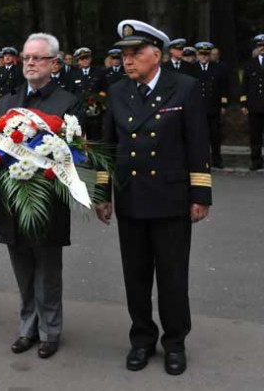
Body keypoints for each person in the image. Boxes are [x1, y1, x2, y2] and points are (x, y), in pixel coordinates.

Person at [95, 20, 212, 376]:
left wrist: (201, 193)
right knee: (136, 275)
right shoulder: (116, 91)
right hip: (131, 198)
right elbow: (107, 146)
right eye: (124, 55)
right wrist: (103, 193)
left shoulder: (185, 88)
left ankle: (175, 342)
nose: (128, 61)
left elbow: (197, 142)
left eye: (136, 53)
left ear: (156, 55)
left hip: (171, 198)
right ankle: (142, 339)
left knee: (173, 276)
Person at [0, 32, 82, 359]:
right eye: (27, 57)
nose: (29, 63)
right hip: (11, 200)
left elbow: (76, 152)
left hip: (46, 201)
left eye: (37, 58)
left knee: (47, 270)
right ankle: (27, 327)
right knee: (22, 269)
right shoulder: (5, 102)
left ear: (54, 63)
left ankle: (50, 331)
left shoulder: (67, 103)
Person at [192, 42, 229, 168]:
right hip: (198, 108)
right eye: (201, 54)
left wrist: (223, 105)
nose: (204, 57)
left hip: (213, 106)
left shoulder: (217, 67)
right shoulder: (193, 68)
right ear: (197, 55)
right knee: (200, 137)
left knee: (215, 136)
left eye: (206, 54)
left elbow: (223, 87)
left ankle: (217, 160)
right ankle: (202, 161)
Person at [71, 47, 108, 140]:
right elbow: (71, 92)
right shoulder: (73, 74)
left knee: (96, 136)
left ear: (90, 59)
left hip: (95, 112)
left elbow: (105, 89)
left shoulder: (99, 73)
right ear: (78, 61)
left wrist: (100, 102)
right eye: (82, 59)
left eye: (86, 58)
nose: (84, 61)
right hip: (80, 111)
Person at [240, 34, 264, 170]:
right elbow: (245, 85)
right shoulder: (250, 64)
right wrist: (244, 104)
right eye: (260, 45)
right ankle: (256, 161)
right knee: (255, 136)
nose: (263, 48)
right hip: (254, 106)